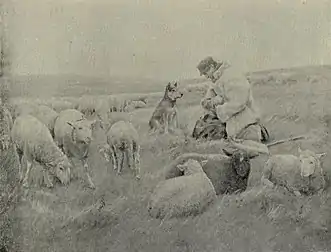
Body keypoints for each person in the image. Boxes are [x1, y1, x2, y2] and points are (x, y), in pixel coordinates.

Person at [192, 56, 269, 142]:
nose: (206, 77)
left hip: (247, 123)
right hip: (234, 124)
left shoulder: (232, 76)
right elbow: (208, 98)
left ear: (211, 67)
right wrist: (209, 102)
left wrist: (218, 109)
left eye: (206, 73)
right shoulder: (217, 79)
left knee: (245, 145)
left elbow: (238, 103)